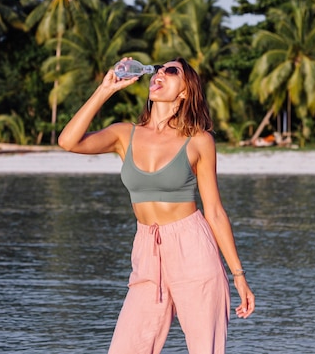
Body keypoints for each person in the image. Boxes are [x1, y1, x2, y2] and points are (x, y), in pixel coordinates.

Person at [58, 57, 255, 354]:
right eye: (158, 69)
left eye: (171, 70)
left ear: (185, 90)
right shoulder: (124, 134)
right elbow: (68, 142)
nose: (160, 73)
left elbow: (214, 211)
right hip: (147, 251)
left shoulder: (199, 140)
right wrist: (105, 90)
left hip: (193, 249)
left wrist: (239, 276)